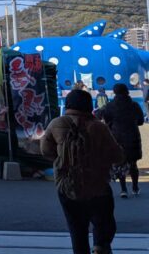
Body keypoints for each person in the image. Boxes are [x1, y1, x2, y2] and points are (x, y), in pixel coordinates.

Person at [41, 89, 123, 254]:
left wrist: (63, 160)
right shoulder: (99, 127)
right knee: (104, 222)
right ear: (88, 105)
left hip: (66, 185)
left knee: (77, 229)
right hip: (98, 185)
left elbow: (45, 150)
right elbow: (118, 155)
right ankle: (100, 246)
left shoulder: (56, 124)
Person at [98, 83, 144, 198]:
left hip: (116, 137)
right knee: (133, 163)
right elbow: (140, 121)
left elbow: (106, 120)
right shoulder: (134, 105)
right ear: (127, 91)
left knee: (120, 163)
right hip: (133, 137)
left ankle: (123, 190)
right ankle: (135, 187)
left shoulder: (110, 106)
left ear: (114, 92)